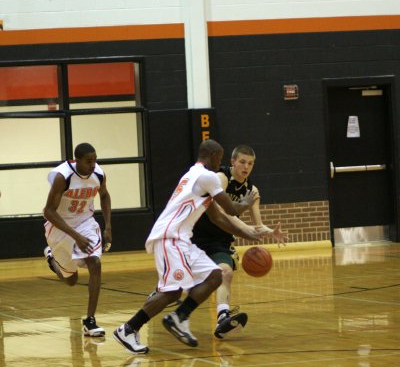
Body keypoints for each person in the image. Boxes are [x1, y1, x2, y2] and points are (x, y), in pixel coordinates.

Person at [112, 139, 270, 355]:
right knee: (173, 292)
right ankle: (128, 328)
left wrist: (248, 235)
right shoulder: (207, 177)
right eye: (220, 158)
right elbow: (231, 210)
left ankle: (179, 317)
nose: (220, 163)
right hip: (169, 237)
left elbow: (217, 218)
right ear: (213, 157)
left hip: (182, 240)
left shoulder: (194, 176)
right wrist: (247, 201)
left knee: (215, 276)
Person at [192, 144, 285, 339]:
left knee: (225, 272)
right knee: (178, 286)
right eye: (242, 162)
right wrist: (245, 229)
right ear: (232, 162)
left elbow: (257, 225)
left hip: (220, 239)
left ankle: (222, 316)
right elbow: (221, 213)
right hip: (197, 235)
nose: (246, 167)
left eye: (250, 163)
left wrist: (270, 232)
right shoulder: (220, 179)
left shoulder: (252, 191)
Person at [43, 142, 112, 337]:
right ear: (77, 160)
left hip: (85, 223)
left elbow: (105, 196)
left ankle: (90, 321)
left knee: (95, 262)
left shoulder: (98, 174)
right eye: (89, 161)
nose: (93, 165)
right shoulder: (62, 177)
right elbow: (48, 212)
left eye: (95, 160)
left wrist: (108, 226)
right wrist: (75, 236)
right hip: (59, 227)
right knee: (71, 280)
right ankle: (52, 260)